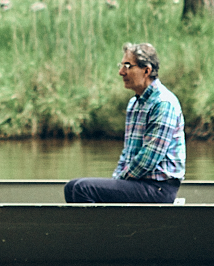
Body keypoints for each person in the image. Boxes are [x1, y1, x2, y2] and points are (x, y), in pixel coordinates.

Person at [63, 43, 185, 202]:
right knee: (72, 187)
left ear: (146, 70)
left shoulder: (163, 103)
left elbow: (149, 158)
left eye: (127, 66)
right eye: (121, 66)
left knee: (82, 189)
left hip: (159, 188)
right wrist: (116, 180)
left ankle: (105, 227)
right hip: (137, 183)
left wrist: (119, 180)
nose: (121, 72)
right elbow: (127, 154)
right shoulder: (134, 104)